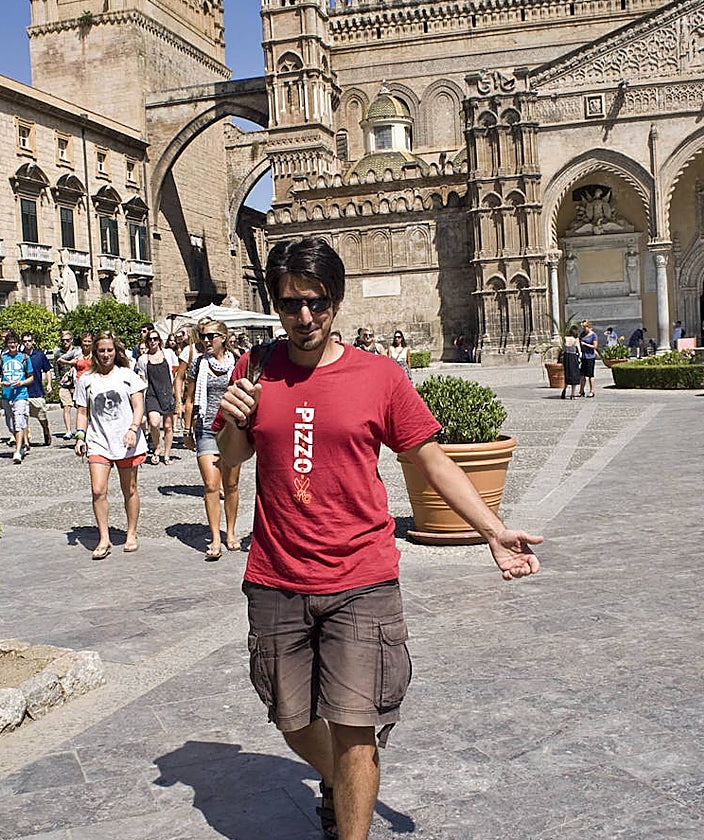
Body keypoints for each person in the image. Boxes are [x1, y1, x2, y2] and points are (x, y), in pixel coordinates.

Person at [216, 238, 541, 840]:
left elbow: (430, 458)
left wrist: (493, 530)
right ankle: (338, 780)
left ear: (336, 301)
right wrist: (235, 418)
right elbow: (233, 458)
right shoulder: (255, 368)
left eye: (316, 302)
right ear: (276, 306)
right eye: (290, 305)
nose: (304, 317)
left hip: (361, 578)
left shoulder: (379, 375)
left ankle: (350, 810)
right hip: (277, 576)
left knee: (356, 729)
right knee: (291, 720)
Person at [72, 330, 146, 559]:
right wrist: (80, 436)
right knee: (97, 490)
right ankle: (104, 538)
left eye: (110, 350)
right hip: (98, 441)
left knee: (129, 489)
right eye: (102, 351)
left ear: (116, 351)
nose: (106, 355)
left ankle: (131, 533)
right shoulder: (86, 380)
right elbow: (82, 412)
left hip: (126, 441)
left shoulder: (127, 375)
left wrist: (133, 429)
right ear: (95, 352)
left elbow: (138, 406)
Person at [182, 320, 242, 561]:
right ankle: (216, 538)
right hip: (205, 429)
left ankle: (231, 531)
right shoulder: (198, 364)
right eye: (202, 337)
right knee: (210, 485)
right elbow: (189, 399)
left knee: (232, 484)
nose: (206, 341)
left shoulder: (237, 362)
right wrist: (187, 431)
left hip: (232, 430)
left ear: (223, 338)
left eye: (211, 336)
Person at [136, 329, 179, 465]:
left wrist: (176, 392)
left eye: (155, 339)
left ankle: (166, 455)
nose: (153, 341)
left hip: (167, 392)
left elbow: (176, 372)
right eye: (150, 339)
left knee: (168, 426)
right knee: (154, 423)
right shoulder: (143, 359)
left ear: (159, 340)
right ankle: (157, 448)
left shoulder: (168, 354)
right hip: (152, 393)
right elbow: (142, 378)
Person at [0, 330, 34, 464]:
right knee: (11, 424)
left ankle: (17, 451)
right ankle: (20, 444)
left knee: (19, 421)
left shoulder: (24, 358)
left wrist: (22, 383)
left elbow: (31, 377)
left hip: (21, 394)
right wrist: (1, 383)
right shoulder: (1, 359)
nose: (12, 345)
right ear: (6, 344)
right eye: (10, 343)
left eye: (14, 342)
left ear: (18, 343)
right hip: (6, 395)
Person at [22, 333, 53, 447]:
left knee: (42, 417)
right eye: (25, 341)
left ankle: (46, 431)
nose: (27, 343)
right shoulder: (20, 356)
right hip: (23, 392)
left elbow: (47, 370)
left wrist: (49, 384)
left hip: (37, 391)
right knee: (23, 418)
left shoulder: (40, 355)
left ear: (33, 341)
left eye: (29, 340)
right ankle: (25, 441)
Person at [54, 331, 83, 438]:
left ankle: (81, 428)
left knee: (80, 407)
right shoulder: (58, 353)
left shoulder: (78, 351)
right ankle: (68, 431)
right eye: (63, 340)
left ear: (71, 340)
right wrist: (59, 382)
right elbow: (56, 369)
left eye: (67, 340)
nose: (65, 342)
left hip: (77, 383)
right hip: (64, 384)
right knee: (66, 407)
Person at [560, 324, 582, 400]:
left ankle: (564, 390)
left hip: (566, 357)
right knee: (574, 376)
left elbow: (563, 348)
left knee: (567, 375)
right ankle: (572, 394)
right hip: (573, 357)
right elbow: (579, 350)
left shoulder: (565, 338)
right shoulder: (576, 339)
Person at [577, 320, 598, 398]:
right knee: (582, 375)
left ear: (589, 327)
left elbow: (595, 346)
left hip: (590, 357)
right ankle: (581, 391)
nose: (584, 329)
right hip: (583, 357)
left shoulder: (593, 335)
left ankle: (592, 391)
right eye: (583, 327)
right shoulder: (582, 334)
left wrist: (585, 344)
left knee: (590, 375)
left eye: (585, 327)